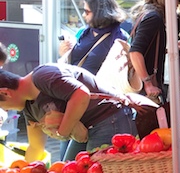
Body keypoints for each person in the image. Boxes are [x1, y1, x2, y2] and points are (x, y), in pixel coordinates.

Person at [0, 64, 137, 162]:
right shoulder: (27, 106)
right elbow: (36, 147)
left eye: (1, 105)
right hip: (86, 130)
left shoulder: (43, 76)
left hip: (109, 117)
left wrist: (63, 131)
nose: (5, 110)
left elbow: (81, 94)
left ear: (5, 93)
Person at [129, 0, 180, 102]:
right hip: (145, 88)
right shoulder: (154, 17)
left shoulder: (147, 13)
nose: (178, 3)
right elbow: (135, 51)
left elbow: (147, 48)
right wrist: (148, 83)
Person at [59, 0, 129, 75]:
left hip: (100, 86)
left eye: (87, 12)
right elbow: (70, 58)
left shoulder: (120, 38)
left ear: (99, 13)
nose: (83, 15)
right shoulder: (83, 31)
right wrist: (64, 53)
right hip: (75, 83)